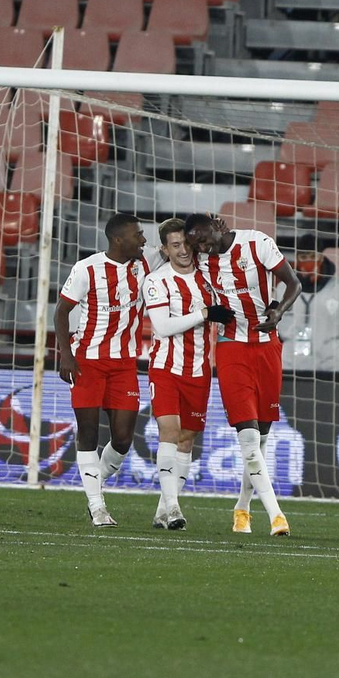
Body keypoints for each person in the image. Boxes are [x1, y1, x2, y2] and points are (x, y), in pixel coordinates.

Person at [183, 213, 299, 537]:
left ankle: (242, 509)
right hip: (231, 348)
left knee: (260, 440)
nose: (202, 247)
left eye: (204, 239)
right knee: (247, 439)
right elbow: (169, 259)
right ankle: (277, 516)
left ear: (218, 225)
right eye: (196, 245)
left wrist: (279, 311)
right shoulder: (201, 262)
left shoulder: (258, 243)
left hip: (267, 347)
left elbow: (294, 283)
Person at [53, 213, 155, 529]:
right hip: (89, 362)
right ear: (118, 240)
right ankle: (97, 507)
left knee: (123, 438)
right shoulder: (86, 269)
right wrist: (66, 355)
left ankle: (95, 481)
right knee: (88, 433)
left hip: (125, 364)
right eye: (138, 235)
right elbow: (61, 311)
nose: (143, 240)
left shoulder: (144, 266)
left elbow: (172, 247)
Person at [143, 218, 234, 530]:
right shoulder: (156, 281)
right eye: (175, 246)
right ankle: (173, 508)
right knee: (169, 431)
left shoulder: (208, 275)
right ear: (165, 250)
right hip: (164, 367)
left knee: (187, 438)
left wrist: (221, 229)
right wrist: (204, 314)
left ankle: (161, 512)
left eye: (185, 244)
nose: (183, 251)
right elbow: (163, 327)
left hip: (198, 370)